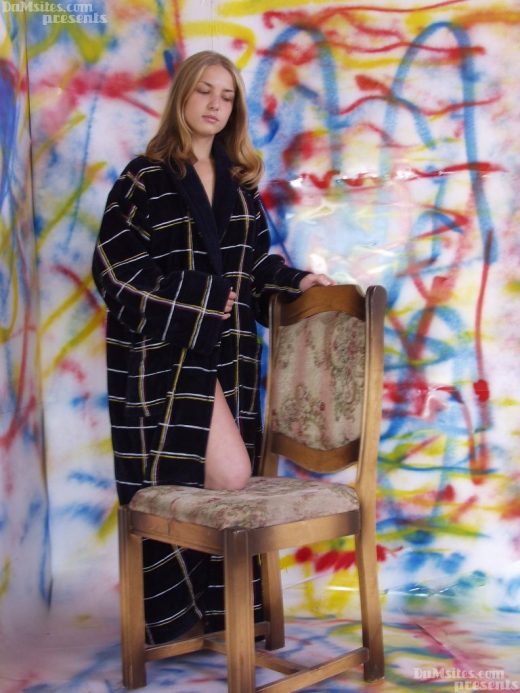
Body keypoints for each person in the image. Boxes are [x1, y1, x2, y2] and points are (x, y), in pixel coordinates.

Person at [92, 50, 334, 645]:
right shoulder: (143, 178)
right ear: (183, 96)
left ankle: (213, 614)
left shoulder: (241, 189)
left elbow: (253, 272)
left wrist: (298, 282)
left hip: (228, 361)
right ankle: (179, 615)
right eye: (204, 91)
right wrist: (198, 302)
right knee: (222, 475)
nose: (215, 105)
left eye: (226, 97)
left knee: (215, 485)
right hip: (162, 362)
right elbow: (114, 271)